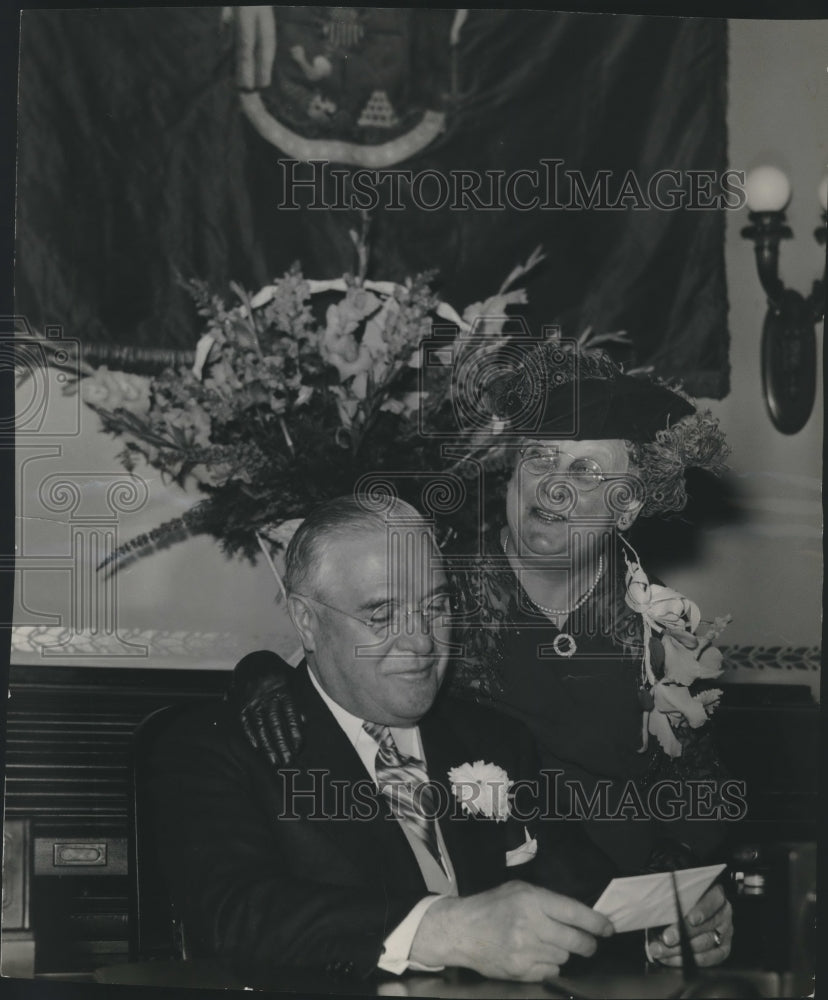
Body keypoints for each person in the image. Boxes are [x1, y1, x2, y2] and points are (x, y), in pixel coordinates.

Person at [228, 343, 736, 967]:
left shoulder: (666, 633)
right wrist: (262, 678)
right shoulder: (440, 589)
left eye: (584, 470)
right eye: (541, 457)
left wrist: (672, 904)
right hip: (470, 928)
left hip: (616, 937)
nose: (554, 483)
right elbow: (336, 648)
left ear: (627, 504)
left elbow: (695, 798)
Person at [147, 496, 623, 985]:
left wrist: (668, 924)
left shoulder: (495, 739)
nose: (420, 641)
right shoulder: (219, 750)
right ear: (306, 621)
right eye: (382, 614)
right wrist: (443, 929)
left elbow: (589, 891)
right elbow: (237, 916)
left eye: (436, 607)